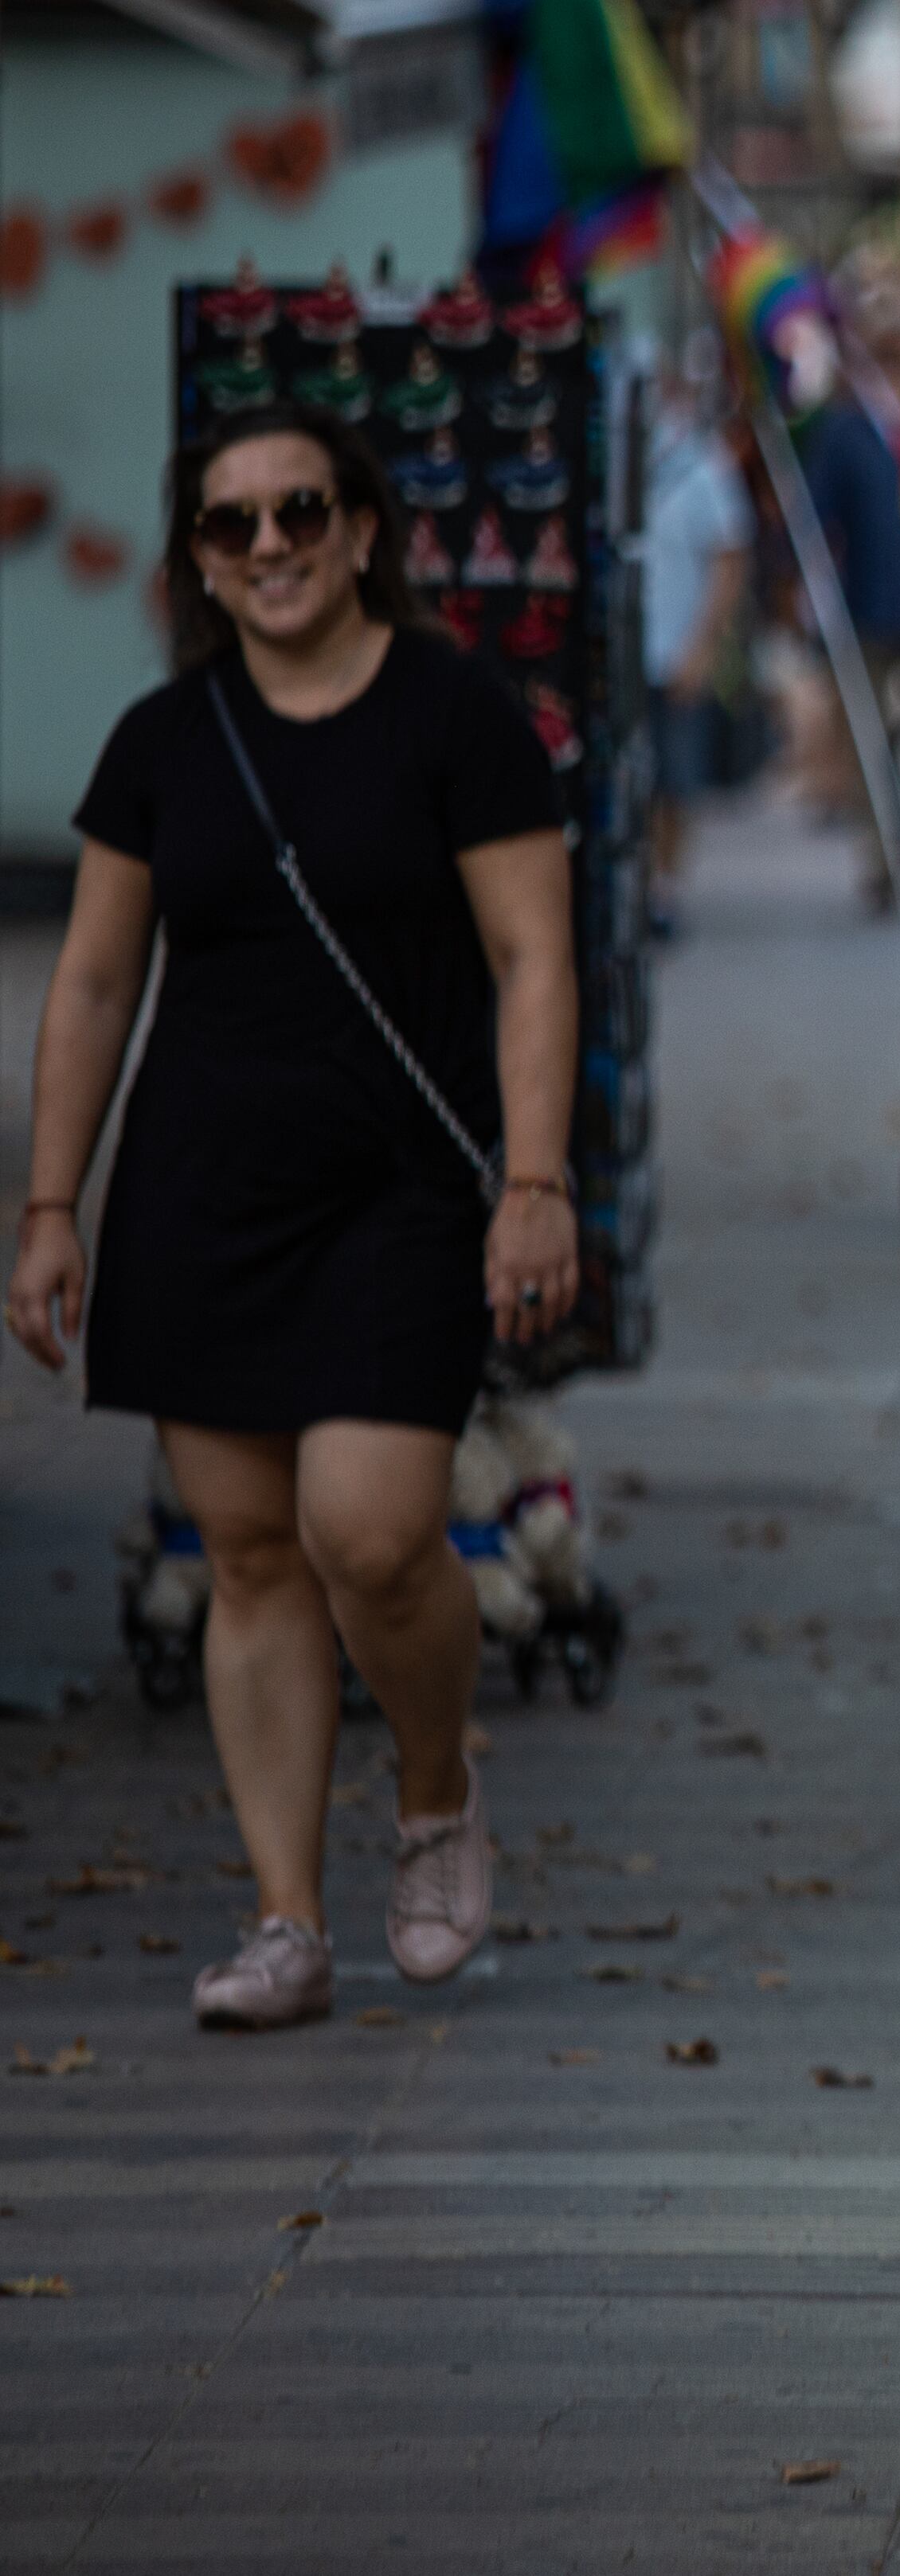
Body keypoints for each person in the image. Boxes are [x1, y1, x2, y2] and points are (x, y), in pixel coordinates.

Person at [6, 404, 574, 2028]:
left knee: (374, 1528)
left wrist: (533, 1182)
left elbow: (535, 957)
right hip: (204, 1192)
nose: (272, 546)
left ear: (365, 528)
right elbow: (100, 977)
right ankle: (285, 1920)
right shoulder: (162, 743)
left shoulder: (458, 717)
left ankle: (437, 1785)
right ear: (197, 558)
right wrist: (53, 1203)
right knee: (246, 1551)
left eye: (301, 511)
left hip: (401, 1190)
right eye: (233, 525)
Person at [640, 356, 753, 926]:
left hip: (676, 650)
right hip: (625, 654)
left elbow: (730, 557)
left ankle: (664, 886)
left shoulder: (703, 467)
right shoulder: (620, 463)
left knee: (675, 780)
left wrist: (703, 648)